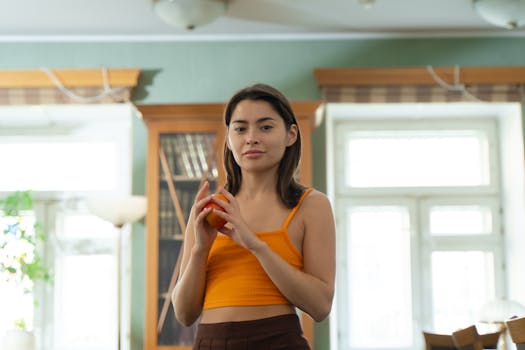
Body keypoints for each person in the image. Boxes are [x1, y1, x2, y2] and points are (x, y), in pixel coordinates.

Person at [172, 83, 336, 349]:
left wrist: (255, 244)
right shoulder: (210, 208)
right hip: (210, 342)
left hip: (278, 341)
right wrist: (200, 249)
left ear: (291, 134)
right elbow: (184, 314)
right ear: (229, 138)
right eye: (240, 128)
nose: (251, 137)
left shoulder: (312, 205)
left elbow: (320, 306)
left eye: (266, 127)